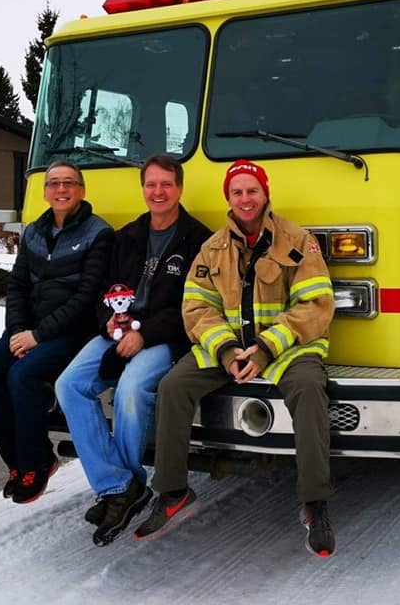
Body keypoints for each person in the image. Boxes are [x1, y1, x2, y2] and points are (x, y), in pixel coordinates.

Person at [134, 159, 337, 557]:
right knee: (173, 386)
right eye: (237, 192)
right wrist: (226, 350)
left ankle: (315, 504)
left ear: (265, 194)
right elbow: (195, 307)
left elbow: (316, 304)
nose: (245, 199)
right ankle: (172, 490)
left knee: (311, 390)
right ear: (228, 198)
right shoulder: (212, 248)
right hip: (228, 350)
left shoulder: (298, 241)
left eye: (252, 191)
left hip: (286, 351)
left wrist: (265, 349)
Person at [55, 154, 211, 546]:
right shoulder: (126, 237)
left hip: (164, 339)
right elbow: (103, 294)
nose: (158, 192)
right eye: (151, 185)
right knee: (69, 385)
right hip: (116, 334)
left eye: (166, 184)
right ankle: (120, 485)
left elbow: (194, 307)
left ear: (179, 188)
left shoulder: (199, 240)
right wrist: (107, 320)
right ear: (142, 189)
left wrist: (144, 334)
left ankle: (122, 490)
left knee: (129, 391)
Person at [0, 161, 113, 505]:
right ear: (45, 191)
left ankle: (38, 462)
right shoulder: (34, 231)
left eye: (68, 183)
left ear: (81, 190)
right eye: (54, 184)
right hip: (29, 328)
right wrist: (18, 331)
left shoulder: (98, 233)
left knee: (23, 376)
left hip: (73, 332)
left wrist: (38, 336)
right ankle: (18, 464)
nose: (61, 190)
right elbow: (17, 285)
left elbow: (86, 298)